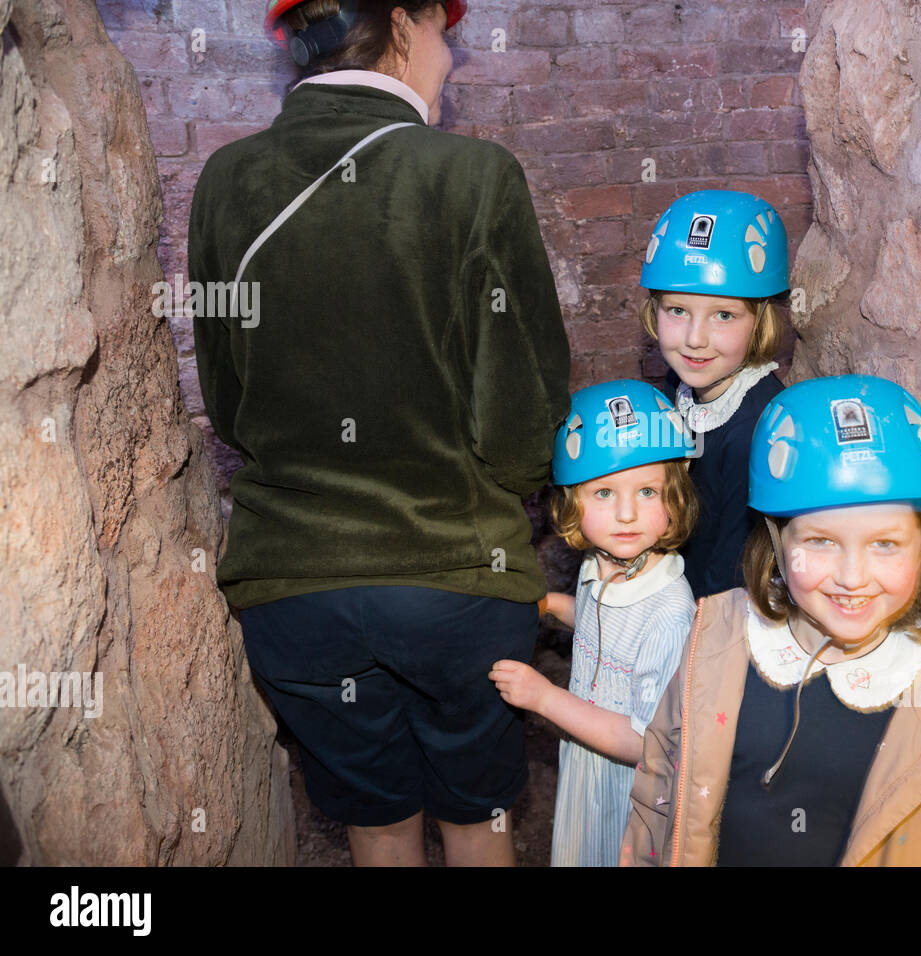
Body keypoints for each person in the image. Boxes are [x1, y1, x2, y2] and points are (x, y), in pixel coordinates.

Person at [190, 0, 571, 865]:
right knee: (479, 819)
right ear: (403, 24)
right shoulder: (474, 176)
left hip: (294, 586)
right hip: (454, 576)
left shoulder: (225, 180)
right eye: (445, 33)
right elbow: (522, 425)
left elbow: (230, 401)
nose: (453, 58)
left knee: (377, 821)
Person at [621, 375, 921, 866]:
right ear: (778, 543)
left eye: (885, 543)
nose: (851, 577)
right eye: (820, 541)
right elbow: (657, 779)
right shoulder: (718, 638)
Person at [490, 381, 698, 866]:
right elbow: (598, 622)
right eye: (604, 492)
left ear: (675, 500)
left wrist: (544, 698)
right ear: (571, 501)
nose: (626, 514)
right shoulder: (600, 565)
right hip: (586, 758)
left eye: (647, 491)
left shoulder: (669, 613)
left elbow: (643, 742)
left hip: (631, 789)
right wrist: (551, 605)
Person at [638, 189, 789, 600]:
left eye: (724, 315)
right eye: (677, 310)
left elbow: (729, 584)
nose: (694, 340)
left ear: (761, 320)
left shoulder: (752, 432)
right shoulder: (682, 385)